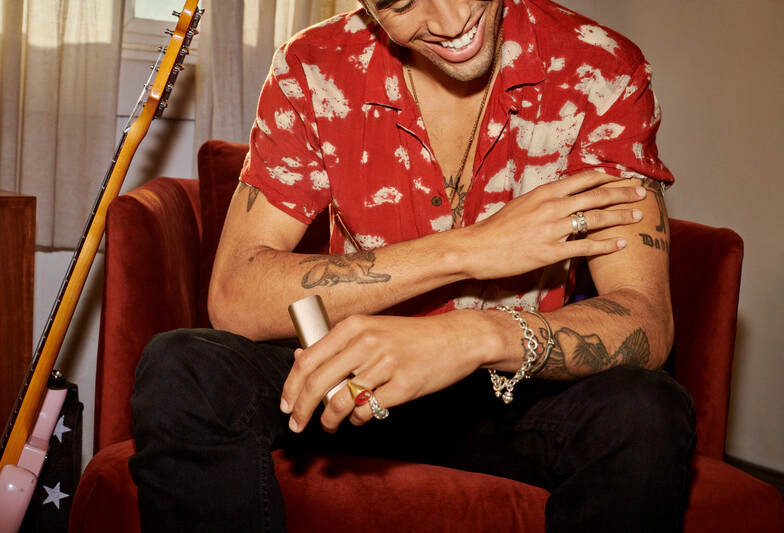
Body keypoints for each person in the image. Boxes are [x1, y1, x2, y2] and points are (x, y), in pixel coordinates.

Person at [129, 0, 696, 531]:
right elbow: (234, 297)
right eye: (401, 4)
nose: (450, 22)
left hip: (511, 398)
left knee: (646, 410)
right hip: (351, 393)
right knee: (182, 366)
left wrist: (473, 337)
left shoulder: (600, 67)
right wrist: (467, 249)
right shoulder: (312, 66)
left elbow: (646, 320)